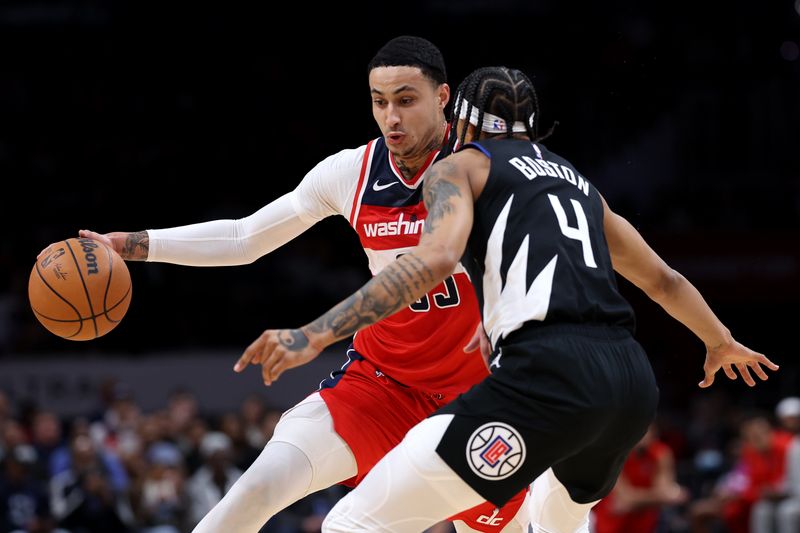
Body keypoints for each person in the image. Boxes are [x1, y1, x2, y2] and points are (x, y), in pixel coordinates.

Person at [235, 65, 779, 532]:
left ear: (462, 123)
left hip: (547, 375)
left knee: (352, 522)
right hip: (630, 385)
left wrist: (316, 333)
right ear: (533, 127)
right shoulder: (578, 182)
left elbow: (433, 262)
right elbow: (664, 281)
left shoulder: (460, 166)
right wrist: (720, 341)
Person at [68, 37, 529, 532]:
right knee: (255, 489)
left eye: (406, 100)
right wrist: (134, 244)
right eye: (379, 102)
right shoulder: (353, 172)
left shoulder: (487, 167)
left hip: (481, 398)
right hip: (381, 385)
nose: (391, 117)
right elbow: (246, 237)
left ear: (442, 98)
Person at [592, 423, 688, 533]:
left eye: (647, 430)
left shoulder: (661, 453)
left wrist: (635, 500)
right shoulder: (616, 453)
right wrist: (661, 497)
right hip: (610, 524)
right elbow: (625, 499)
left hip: (644, 525)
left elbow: (664, 493)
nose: (643, 435)